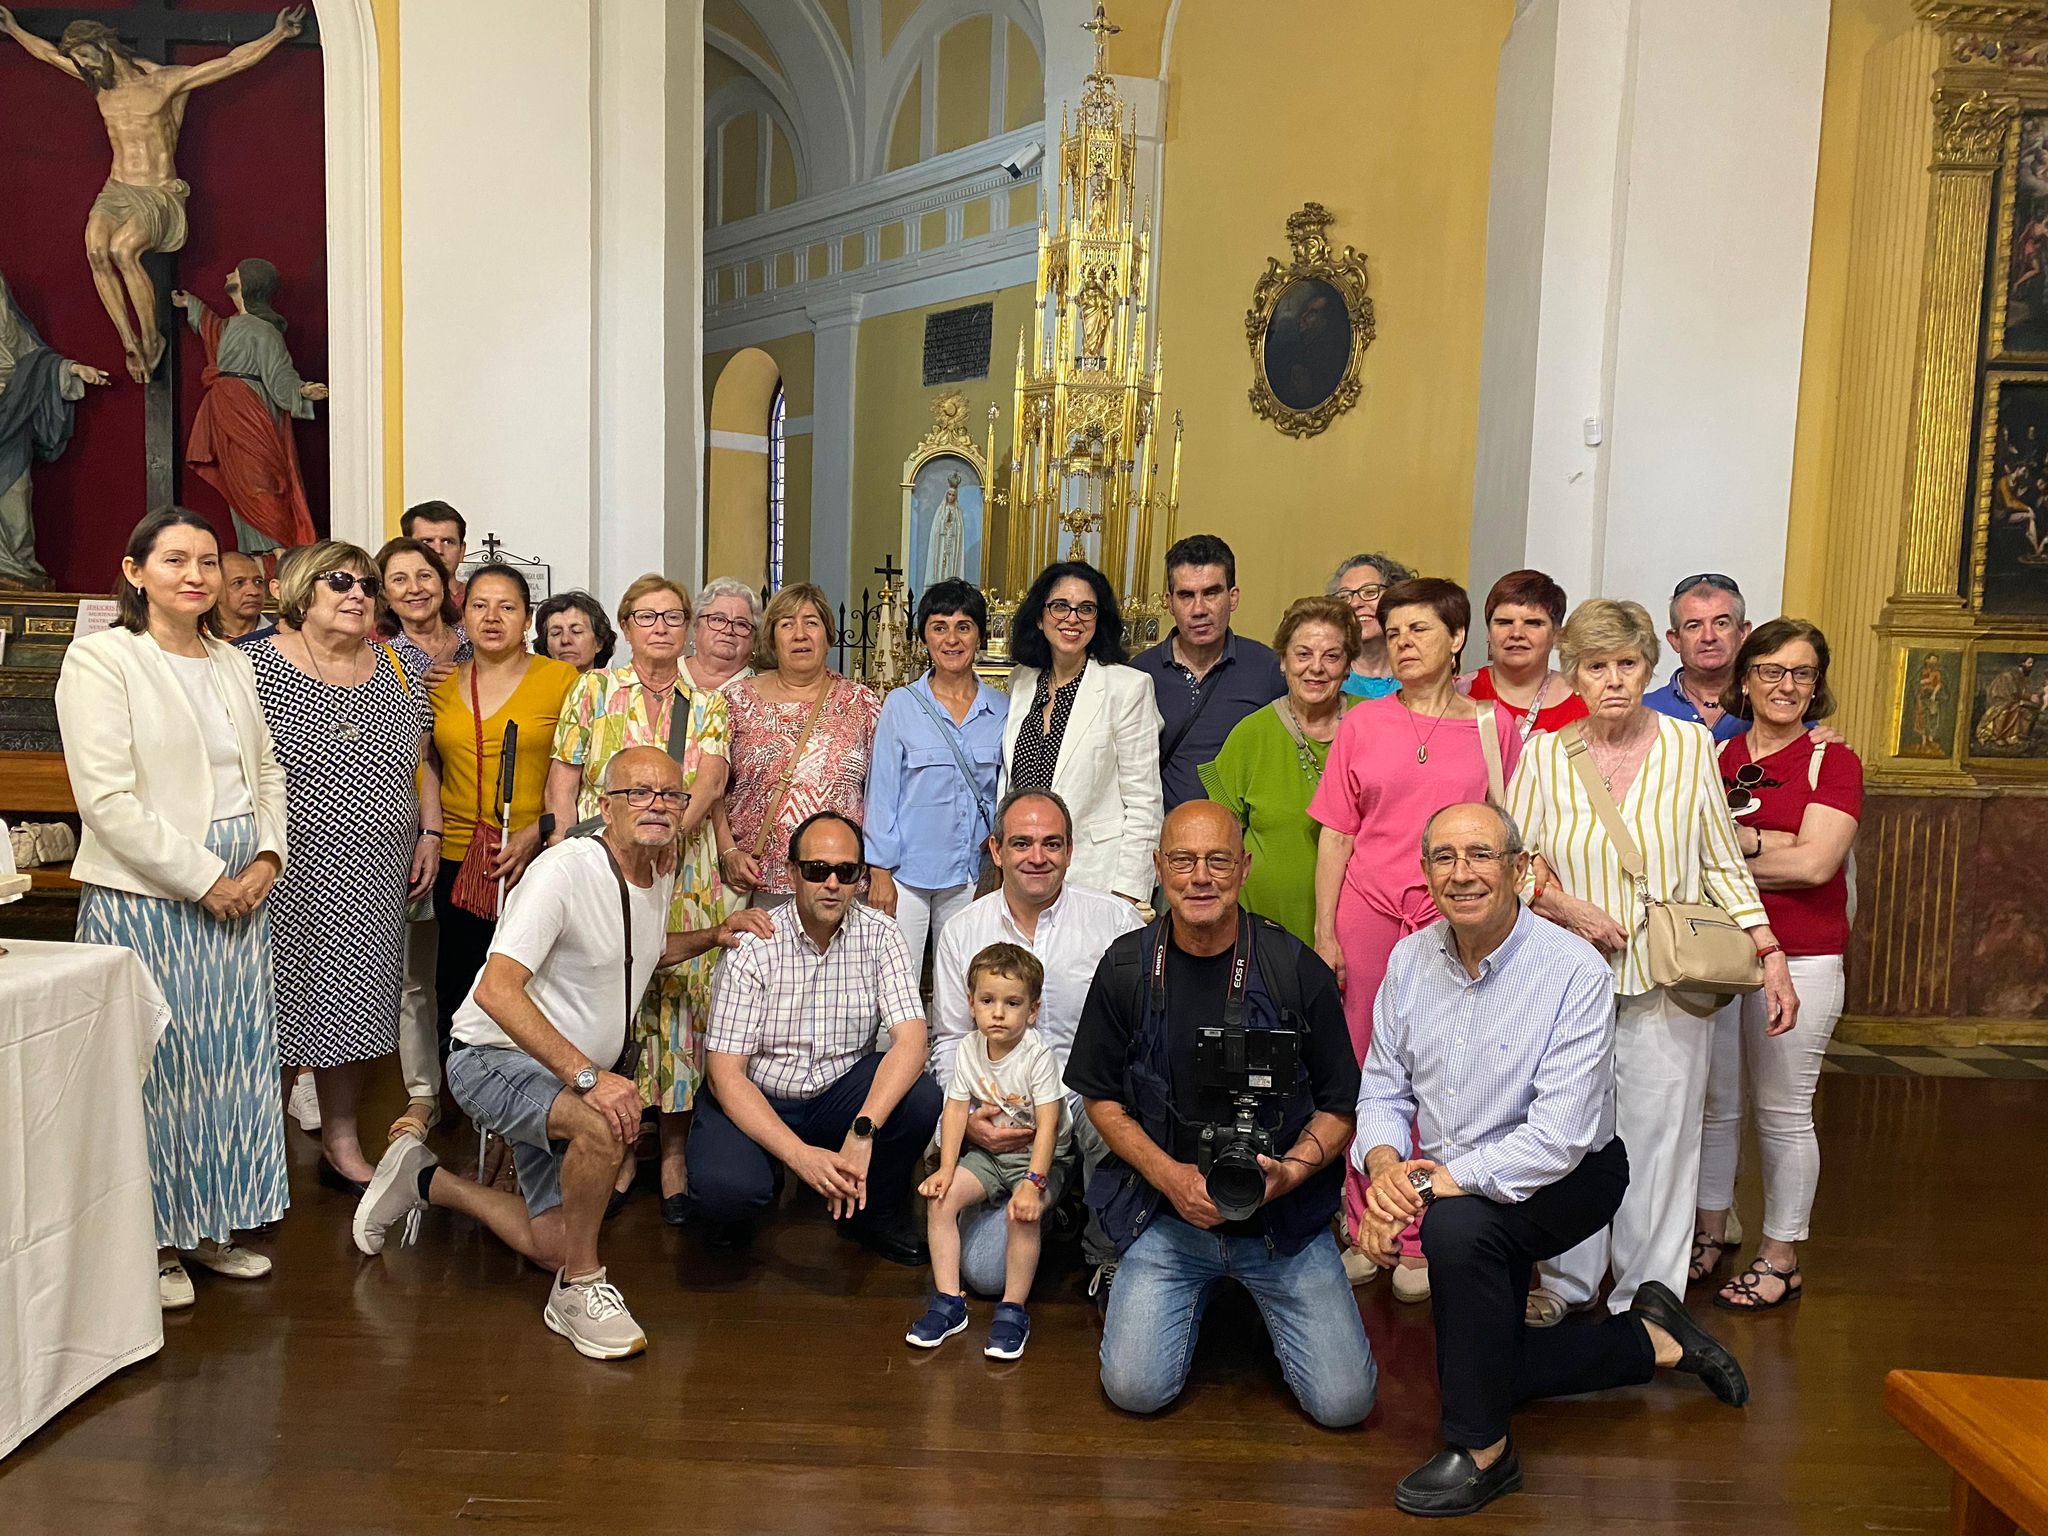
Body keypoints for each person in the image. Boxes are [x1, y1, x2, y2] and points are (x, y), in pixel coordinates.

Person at [1358, 801, 1751, 1518]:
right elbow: (1383, 1087)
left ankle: (1485, 1454)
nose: (1462, 873)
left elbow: (1560, 1136)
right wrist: (1385, 1170)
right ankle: (1653, 1340)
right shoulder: (1410, 960)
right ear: (1425, 874)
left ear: (1518, 869)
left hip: (1571, 1178)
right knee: (1488, 1365)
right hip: (1461, 1181)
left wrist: (1428, 1186)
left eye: (1480, 854)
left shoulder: (1571, 970)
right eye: (1443, 858)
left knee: (1454, 1233)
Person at [350, 748, 767, 1360]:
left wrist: (710, 936)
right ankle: (579, 1289)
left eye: (671, 795)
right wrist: (588, 1076)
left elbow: (636, 951)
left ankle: (422, 1177)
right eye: (639, 793)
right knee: (602, 1124)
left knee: (552, 1242)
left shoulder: (656, 870)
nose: (657, 804)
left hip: (559, 1076)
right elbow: (495, 990)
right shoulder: (564, 870)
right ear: (606, 806)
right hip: (490, 1058)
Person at [1507, 598, 1798, 1324]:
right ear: (1574, 674)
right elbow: (1521, 863)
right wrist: (1571, 909)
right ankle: (1569, 1283)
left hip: (1669, 975)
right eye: (1596, 666)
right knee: (1570, 1131)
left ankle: (1647, 1295)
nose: (1613, 679)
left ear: (1648, 667)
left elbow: (1722, 863)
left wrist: (1769, 950)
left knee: (1662, 1140)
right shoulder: (1546, 752)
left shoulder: (1686, 745)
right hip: (1567, 977)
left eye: (1627, 664)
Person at [1066, 802, 1375, 1428]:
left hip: (1279, 1224)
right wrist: (1167, 1176)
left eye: (1218, 860)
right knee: (1134, 1390)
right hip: (1169, 1217)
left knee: (1345, 1406)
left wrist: (1287, 1173)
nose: (1199, 876)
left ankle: (1252, 1305)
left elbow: (1343, 1106)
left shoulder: (1294, 970)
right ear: (1158, 867)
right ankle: (1208, 1301)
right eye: (1182, 860)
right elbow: (1099, 1096)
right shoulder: (1126, 968)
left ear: (1245, 867)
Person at [57, 507, 290, 1310]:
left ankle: (213, 1225)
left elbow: (265, 768)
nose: (196, 575)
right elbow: (108, 800)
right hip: (151, 890)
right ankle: (150, 1240)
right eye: (175, 560)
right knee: (160, 1065)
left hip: (241, 881)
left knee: (230, 1062)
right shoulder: (101, 662)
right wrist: (204, 877)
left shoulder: (233, 661)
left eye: (208, 561)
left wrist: (265, 856)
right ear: (135, 572)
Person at [1309, 577, 1521, 1296]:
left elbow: (1511, 837)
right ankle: (1369, 1225)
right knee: (1369, 1067)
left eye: (1419, 630)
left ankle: (1423, 1230)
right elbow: (1337, 834)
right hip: (1368, 911)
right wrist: (1324, 932)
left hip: (1452, 917)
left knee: (1446, 1072)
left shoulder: (1495, 729)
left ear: (1457, 639)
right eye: (1394, 631)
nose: (1402, 643)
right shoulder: (1362, 724)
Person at [245, 541, 438, 1193]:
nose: (359, 594)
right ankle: (260, 1146)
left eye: (366, 583)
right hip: (282, 870)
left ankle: (341, 1138)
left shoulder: (398, 661)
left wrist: (430, 830)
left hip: (377, 871)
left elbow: (423, 758)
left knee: (355, 1003)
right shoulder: (250, 666)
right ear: (301, 591)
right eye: (340, 582)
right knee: (274, 1005)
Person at [546, 574, 731, 1220]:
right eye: (647, 616)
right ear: (624, 626)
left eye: (673, 616)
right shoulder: (593, 691)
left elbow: (709, 780)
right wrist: (568, 854)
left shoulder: (706, 702)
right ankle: (618, 1144)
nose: (660, 627)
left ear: (686, 628)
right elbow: (564, 781)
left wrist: (667, 833)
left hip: (684, 865)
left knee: (679, 1006)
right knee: (612, 994)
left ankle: (673, 1154)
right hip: (604, 862)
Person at [1694, 620, 1861, 1312]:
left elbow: (1818, 863)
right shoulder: (1713, 754)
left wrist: (1744, 842)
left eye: (1801, 673)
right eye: (1771, 670)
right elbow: (1693, 856)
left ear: (1816, 684)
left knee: (1786, 1112)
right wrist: (1780, 842)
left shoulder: (1833, 762)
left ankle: (1781, 1255)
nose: (1786, 686)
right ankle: (1708, 1234)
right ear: (1745, 678)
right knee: (1716, 1106)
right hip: (1718, 952)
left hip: (1805, 957)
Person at [690, 811, 943, 1264]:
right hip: (760, 1092)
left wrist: (863, 1130)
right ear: (791, 874)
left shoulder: (881, 935)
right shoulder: (754, 944)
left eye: (845, 872)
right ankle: (745, 1203)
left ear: (859, 880)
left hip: (837, 1095)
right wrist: (799, 1156)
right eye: (816, 869)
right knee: (726, 1191)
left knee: (921, 1098)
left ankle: (874, 1213)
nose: (831, 883)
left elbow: (912, 1041)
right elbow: (726, 1075)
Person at [0, 7, 305, 382]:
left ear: (103, 46)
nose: (83, 67)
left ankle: (151, 338)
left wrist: (277, 35)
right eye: (78, 61)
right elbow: (47, 54)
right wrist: (14, 29)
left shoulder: (164, 83)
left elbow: (232, 62)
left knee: (122, 250)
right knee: (96, 250)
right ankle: (129, 341)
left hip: (158, 192)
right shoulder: (99, 85)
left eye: (86, 57)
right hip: (117, 188)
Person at [930, 788, 1143, 1304]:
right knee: (984, 1275)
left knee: (1108, 1122)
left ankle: (1105, 1251)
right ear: (997, 850)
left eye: (1052, 843)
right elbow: (950, 1042)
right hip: (1002, 1118)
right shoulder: (962, 930)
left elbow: (1143, 1030)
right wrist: (967, 1117)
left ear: (1070, 851)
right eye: (1022, 843)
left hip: (1080, 1101)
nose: (1037, 856)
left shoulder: (1114, 923)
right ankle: (1057, 1204)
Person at [427, 565, 579, 1053]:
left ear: (528, 618)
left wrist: (539, 829)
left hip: (536, 856)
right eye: (479, 606)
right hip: (460, 856)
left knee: (533, 985)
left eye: (507, 607)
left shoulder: (561, 680)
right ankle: (463, 1101)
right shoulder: (441, 685)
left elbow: (585, 772)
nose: (492, 618)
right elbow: (425, 763)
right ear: (463, 616)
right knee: (459, 984)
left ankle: (533, 1102)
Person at [910, 942, 1068, 1359]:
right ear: (971, 1004)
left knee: (1021, 1213)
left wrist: (1034, 1183)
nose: (998, 1012)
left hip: (1037, 1157)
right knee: (941, 1200)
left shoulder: (1037, 1055)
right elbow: (957, 1108)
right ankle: (948, 1302)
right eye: (988, 1001)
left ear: (1032, 1011)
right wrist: (946, 1168)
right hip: (989, 1156)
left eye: (1012, 1003)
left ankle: (1013, 1308)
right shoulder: (968, 1048)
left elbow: (1049, 1124)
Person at [865, 578, 1007, 976]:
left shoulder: (1001, 709)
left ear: (979, 634)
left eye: (964, 626)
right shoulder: (901, 705)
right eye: (939, 626)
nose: (952, 639)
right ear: (924, 636)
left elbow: (1005, 792)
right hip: (907, 874)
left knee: (966, 978)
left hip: (970, 876)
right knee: (897, 981)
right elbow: (882, 791)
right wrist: (879, 871)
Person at [998, 560, 1162, 904]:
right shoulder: (1024, 681)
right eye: (1060, 606)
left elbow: (1144, 801)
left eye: (1086, 609)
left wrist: (1129, 892)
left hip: (1096, 877)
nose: (1072, 618)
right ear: (1040, 617)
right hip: (1026, 874)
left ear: (1098, 620)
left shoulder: (1127, 687)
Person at [1200, 595, 1361, 945]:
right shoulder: (1250, 735)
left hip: (1358, 929)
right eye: (1303, 654)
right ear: (1283, 661)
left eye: (1331, 656)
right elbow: (1218, 844)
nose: (1316, 668)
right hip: (1264, 932)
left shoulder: (1374, 725)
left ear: (1348, 666)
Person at [718, 584, 882, 905]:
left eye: (811, 622)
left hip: (840, 881)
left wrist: (879, 869)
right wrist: (728, 851)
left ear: (828, 635)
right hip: (758, 879)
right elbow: (712, 788)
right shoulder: (735, 701)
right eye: (786, 624)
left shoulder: (861, 703)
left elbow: (883, 793)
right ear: (772, 638)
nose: (800, 634)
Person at [172, 261, 327, 563]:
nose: (228, 275)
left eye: (236, 273)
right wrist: (191, 304)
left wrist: (300, 390)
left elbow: (280, 373)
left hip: (253, 414)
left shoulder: (265, 331)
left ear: (248, 284)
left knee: (263, 485)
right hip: (226, 412)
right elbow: (212, 328)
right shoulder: (229, 326)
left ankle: (284, 563)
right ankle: (258, 568)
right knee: (240, 490)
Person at [1131, 535, 1285, 810]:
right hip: (1163, 840)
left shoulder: (1268, 669)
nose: (1199, 609)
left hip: (1238, 841)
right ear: (1169, 602)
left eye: (1211, 593)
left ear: (1233, 597)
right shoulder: (1139, 674)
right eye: (1186, 595)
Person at [0, 270, 111, 590]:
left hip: (13, 417)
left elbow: (39, 363)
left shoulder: (12, 332)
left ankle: (16, 567)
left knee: (17, 495)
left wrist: (74, 369)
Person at [1463, 569, 1587, 737]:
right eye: (1504, 622)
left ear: (1556, 634)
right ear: (1489, 633)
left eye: (1533, 623)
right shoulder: (1458, 693)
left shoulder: (1586, 700)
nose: (1516, 633)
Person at [1645, 574, 1751, 740]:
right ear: (1675, 640)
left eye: (1721, 623)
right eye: (1694, 626)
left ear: (1743, 632)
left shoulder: (1769, 708)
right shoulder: (1644, 711)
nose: (1708, 637)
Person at [375, 536, 470, 686]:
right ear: (385, 595)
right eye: (399, 579)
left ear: (442, 584)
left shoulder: (473, 642)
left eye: (424, 576)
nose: (415, 588)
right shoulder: (381, 662)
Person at [1326, 551, 1413, 699]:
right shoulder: (1326, 676)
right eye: (1344, 596)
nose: (1355, 603)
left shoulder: (1418, 672)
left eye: (1370, 592)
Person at [683, 576, 760, 693]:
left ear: (753, 638)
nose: (728, 630)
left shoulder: (762, 692)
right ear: (696, 626)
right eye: (718, 620)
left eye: (741, 624)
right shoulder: (664, 675)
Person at [401, 500, 468, 604]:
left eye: (447, 542)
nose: (438, 550)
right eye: (427, 541)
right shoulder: (392, 603)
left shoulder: (478, 600)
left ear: (461, 551)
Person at [534, 590, 617, 673]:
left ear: (599, 643)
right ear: (546, 646)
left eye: (577, 631)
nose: (565, 640)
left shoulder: (615, 685)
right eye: (556, 633)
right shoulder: (534, 685)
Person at [215, 551, 268, 640]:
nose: (254, 592)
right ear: (215, 590)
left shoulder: (281, 639)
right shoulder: (194, 639)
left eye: (258, 582)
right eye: (238, 582)